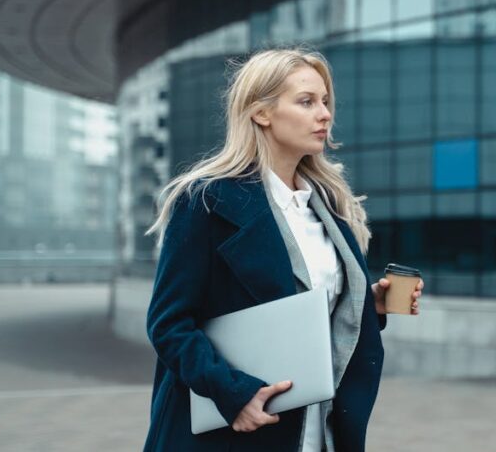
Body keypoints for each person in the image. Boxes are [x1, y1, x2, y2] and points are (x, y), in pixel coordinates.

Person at [141, 47, 424, 452]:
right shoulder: (206, 202)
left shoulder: (328, 207)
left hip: (317, 431)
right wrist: (232, 394)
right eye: (307, 101)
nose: (324, 114)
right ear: (262, 112)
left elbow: (303, 313)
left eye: (325, 102)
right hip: (232, 431)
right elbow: (168, 325)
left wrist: (366, 305)